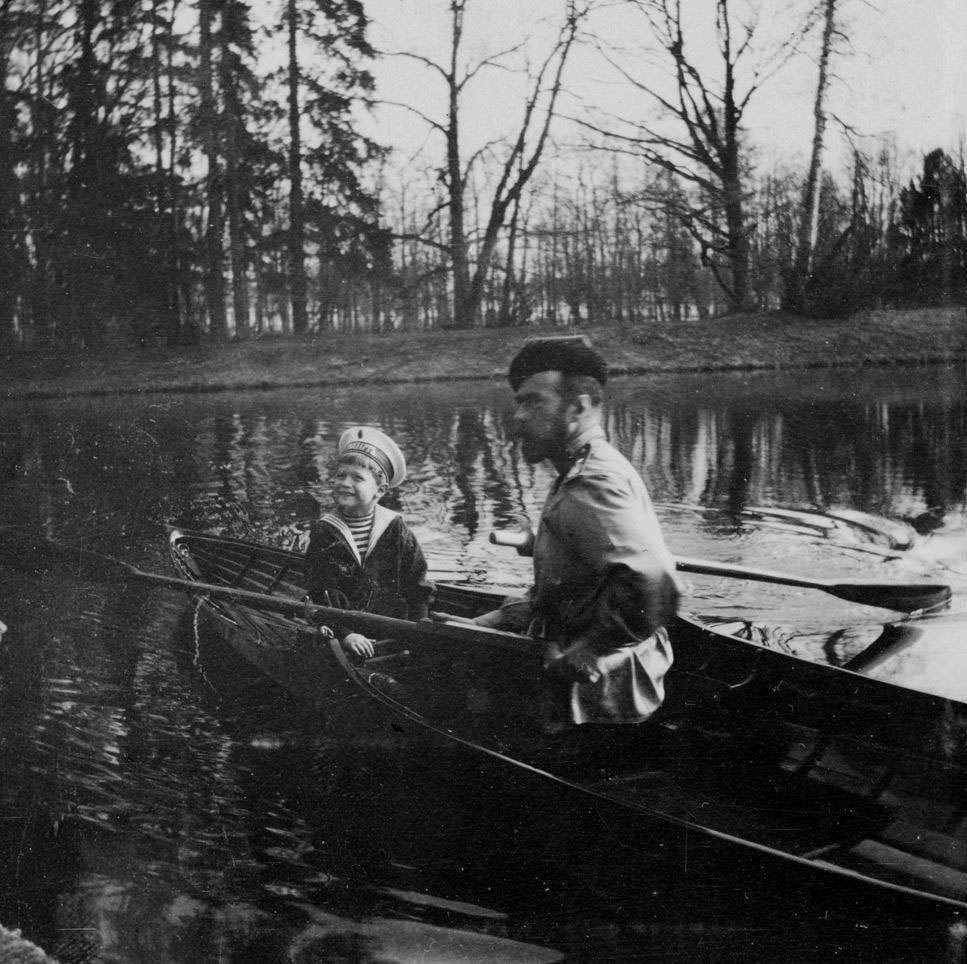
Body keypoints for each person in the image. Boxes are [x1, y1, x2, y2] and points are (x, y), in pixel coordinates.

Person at [468, 337, 680, 727]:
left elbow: (656, 584)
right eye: (519, 402)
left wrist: (587, 652)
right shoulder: (581, 470)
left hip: (597, 697)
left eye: (532, 402)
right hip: (581, 667)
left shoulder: (590, 483)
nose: (517, 416)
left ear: (579, 407)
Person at [304, 426, 431, 659]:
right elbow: (318, 591)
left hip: (394, 631)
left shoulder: (396, 529)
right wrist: (345, 634)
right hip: (342, 632)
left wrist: (415, 632)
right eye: (340, 475)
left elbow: (418, 588)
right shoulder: (325, 531)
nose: (344, 482)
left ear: (379, 490)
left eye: (357, 478)